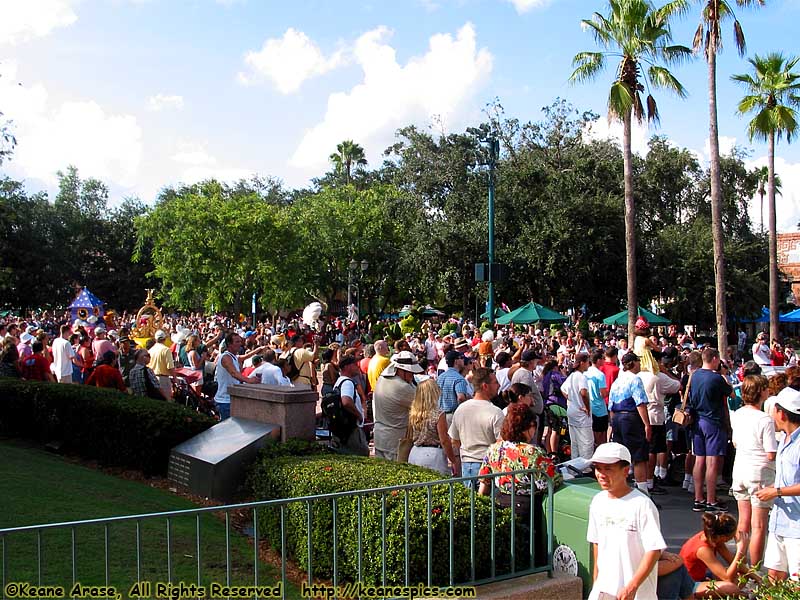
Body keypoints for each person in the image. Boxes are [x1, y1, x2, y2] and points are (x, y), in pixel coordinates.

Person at [587, 442, 666, 600]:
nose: (601, 474)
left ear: (626, 471)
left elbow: (654, 549)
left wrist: (632, 586)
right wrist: (596, 583)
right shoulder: (597, 502)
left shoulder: (643, 505)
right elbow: (597, 544)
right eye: (598, 468)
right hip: (603, 592)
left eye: (608, 468)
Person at [728, 374, 777, 567]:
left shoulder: (738, 414)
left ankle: (740, 566)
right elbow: (771, 452)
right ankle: (755, 571)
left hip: (740, 468)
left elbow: (736, 441)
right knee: (759, 526)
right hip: (759, 472)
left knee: (744, 523)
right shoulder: (765, 419)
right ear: (761, 392)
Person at [755, 386, 800, 582]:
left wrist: (776, 492)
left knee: (796, 579)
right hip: (779, 522)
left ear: (781, 413)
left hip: (796, 526)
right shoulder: (784, 439)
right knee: (774, 574)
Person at [689, 347, 732, 512]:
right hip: (713, 420)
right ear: (714, 359)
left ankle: (698, 498)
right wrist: (723, 374)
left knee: (699, 460)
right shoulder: (717, 378)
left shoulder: (695, 375)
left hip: (697, 420)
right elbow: (731, 394)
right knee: (712, 462)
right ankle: (711, 499)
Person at [448, 367, 505, 486]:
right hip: (487, 467)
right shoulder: (495, 412)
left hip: (467, 465)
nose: (499, 385)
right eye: (495, 382)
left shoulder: (461, 409)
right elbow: (501, 444)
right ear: (485, 386)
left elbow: (454, 440)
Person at [608, 352, 651, 496]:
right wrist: (647, 424)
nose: (639, 364)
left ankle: (622, 487)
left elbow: (611, 406)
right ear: (632, 363)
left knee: (622, 456)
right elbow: (640, 403)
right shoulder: (635, 379)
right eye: (638, 361)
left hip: (617, 418)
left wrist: (612, 425)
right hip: (631, 418)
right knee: (639, 456)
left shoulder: (617, 381)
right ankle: (643, 492)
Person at [679, 512, 752, 597]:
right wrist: (741, 550)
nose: (730, 540)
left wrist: (759, 579)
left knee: (743, 575)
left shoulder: (713, 537)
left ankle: (740, 594)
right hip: (688, 585)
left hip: (702, 577)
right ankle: (740, 594)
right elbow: (727, 578)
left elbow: (733, 561)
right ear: (722, 536)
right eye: (730, 538)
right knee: (731, 588)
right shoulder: (703, 549)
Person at [372, 351, 422, 461]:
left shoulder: (382, 379)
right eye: (410, 372)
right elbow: (423, 405)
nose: (412, 375)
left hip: (380, 436)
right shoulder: (402, 387)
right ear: (401, 370)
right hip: (394, 442)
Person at [407, 378, 458, 475]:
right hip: (433, 455)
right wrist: (453, 460)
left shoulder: (414, 413)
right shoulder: (438, 414)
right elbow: (444, 440)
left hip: (415, 452)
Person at [214, 332, 259, 420]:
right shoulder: (226, 357)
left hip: (231, 399)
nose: (240, 344)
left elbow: (245, 356)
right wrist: (249, 380)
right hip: (225, 401)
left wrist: (258, 349)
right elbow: (233, 373)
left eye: (240, 341)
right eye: (237, 342)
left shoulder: (234, 356)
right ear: (229, 344)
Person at [332, 354, 369, 456]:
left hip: (343, 428)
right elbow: (346, 401)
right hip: (351, 428)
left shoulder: (339, 382)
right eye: (355, 364)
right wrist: (359, 415)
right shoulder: (347, 383)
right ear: (346, 367)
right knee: (361, 454)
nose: (358, 367)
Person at [561, 353, 594, 462]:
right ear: (582, 363)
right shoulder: (581, 377)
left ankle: (574, 466)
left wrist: (571, 398)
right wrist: (587, 407)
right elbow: (583, 393)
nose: (589, 364)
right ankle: (585, 468)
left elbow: (563, 389)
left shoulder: (572, 376)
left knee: (574, 442)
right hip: (581, 413)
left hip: (572, 410)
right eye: (587, 362)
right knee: (586, 442)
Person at [437, 350, 470, 425]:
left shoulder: (440, 377)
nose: (463, 360)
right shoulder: (458, 378)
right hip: (452, 416)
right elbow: (461, 398)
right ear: (456, 361)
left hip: (439, 415)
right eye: (461, 358)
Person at [586, 349, 609, 447]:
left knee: (592, 436)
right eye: (603, 358)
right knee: (601, 437)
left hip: (589, 407)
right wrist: (609, 392)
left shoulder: (586, 373)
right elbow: (603, 393)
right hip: (600, 409)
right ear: (598, 360)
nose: (604, 360)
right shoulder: (600, 375)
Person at [148, 329, 176, 400]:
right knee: (166, 401)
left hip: (152, 379)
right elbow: (170, 367)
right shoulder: (166, 350)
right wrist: (175, 379)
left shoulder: (150, 350)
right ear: (164, 339)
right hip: (163, 379)